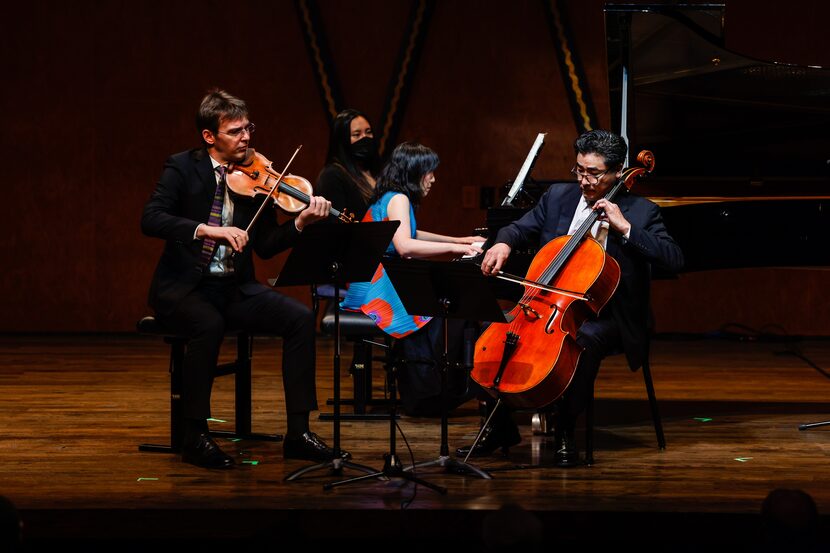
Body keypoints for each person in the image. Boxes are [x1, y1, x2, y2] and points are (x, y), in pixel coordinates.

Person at [141, 89, 347, 469]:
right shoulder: (182, 167)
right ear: (209, 137)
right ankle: (195, 436)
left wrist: (299, 224)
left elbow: (266, 245)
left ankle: (298, 433)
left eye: (247, 128)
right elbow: (151, 218)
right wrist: (207, 230)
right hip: (186, 288)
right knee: (209, 323)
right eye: (235, 131)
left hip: (234, 287)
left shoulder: (257, 176)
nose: (247, 137)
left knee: (300, 319)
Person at [455, 129, 684, 466]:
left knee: (581, 341)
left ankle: (565, 429)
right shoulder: (558, 197)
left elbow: (674, 258)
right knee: (482, 326)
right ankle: (500, 426)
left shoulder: (641, 211)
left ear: (618, 172)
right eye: (579, 170)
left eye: (594, 173)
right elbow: (518, 228)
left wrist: (625, 229)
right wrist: (502, 243)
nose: (584, 180)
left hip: (609, 315)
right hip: (547, 307)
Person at [340, 142, 483, 416]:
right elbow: (405, 246)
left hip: (372, 280)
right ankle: (435, 390)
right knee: (446, 306)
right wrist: (460, 249)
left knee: (442, 299)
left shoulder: (393, 196)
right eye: (429, 172)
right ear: (416, 171)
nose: (433, 178)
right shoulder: (399, 198)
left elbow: (412, 233)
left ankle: (440, 386)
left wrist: (459, 239)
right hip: (376, 286)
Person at [314, 108, 381, 222]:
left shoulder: (375, 170)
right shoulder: (332, 175)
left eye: (368, 132)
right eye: (357, 134)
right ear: (342, 140)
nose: (364, 138)